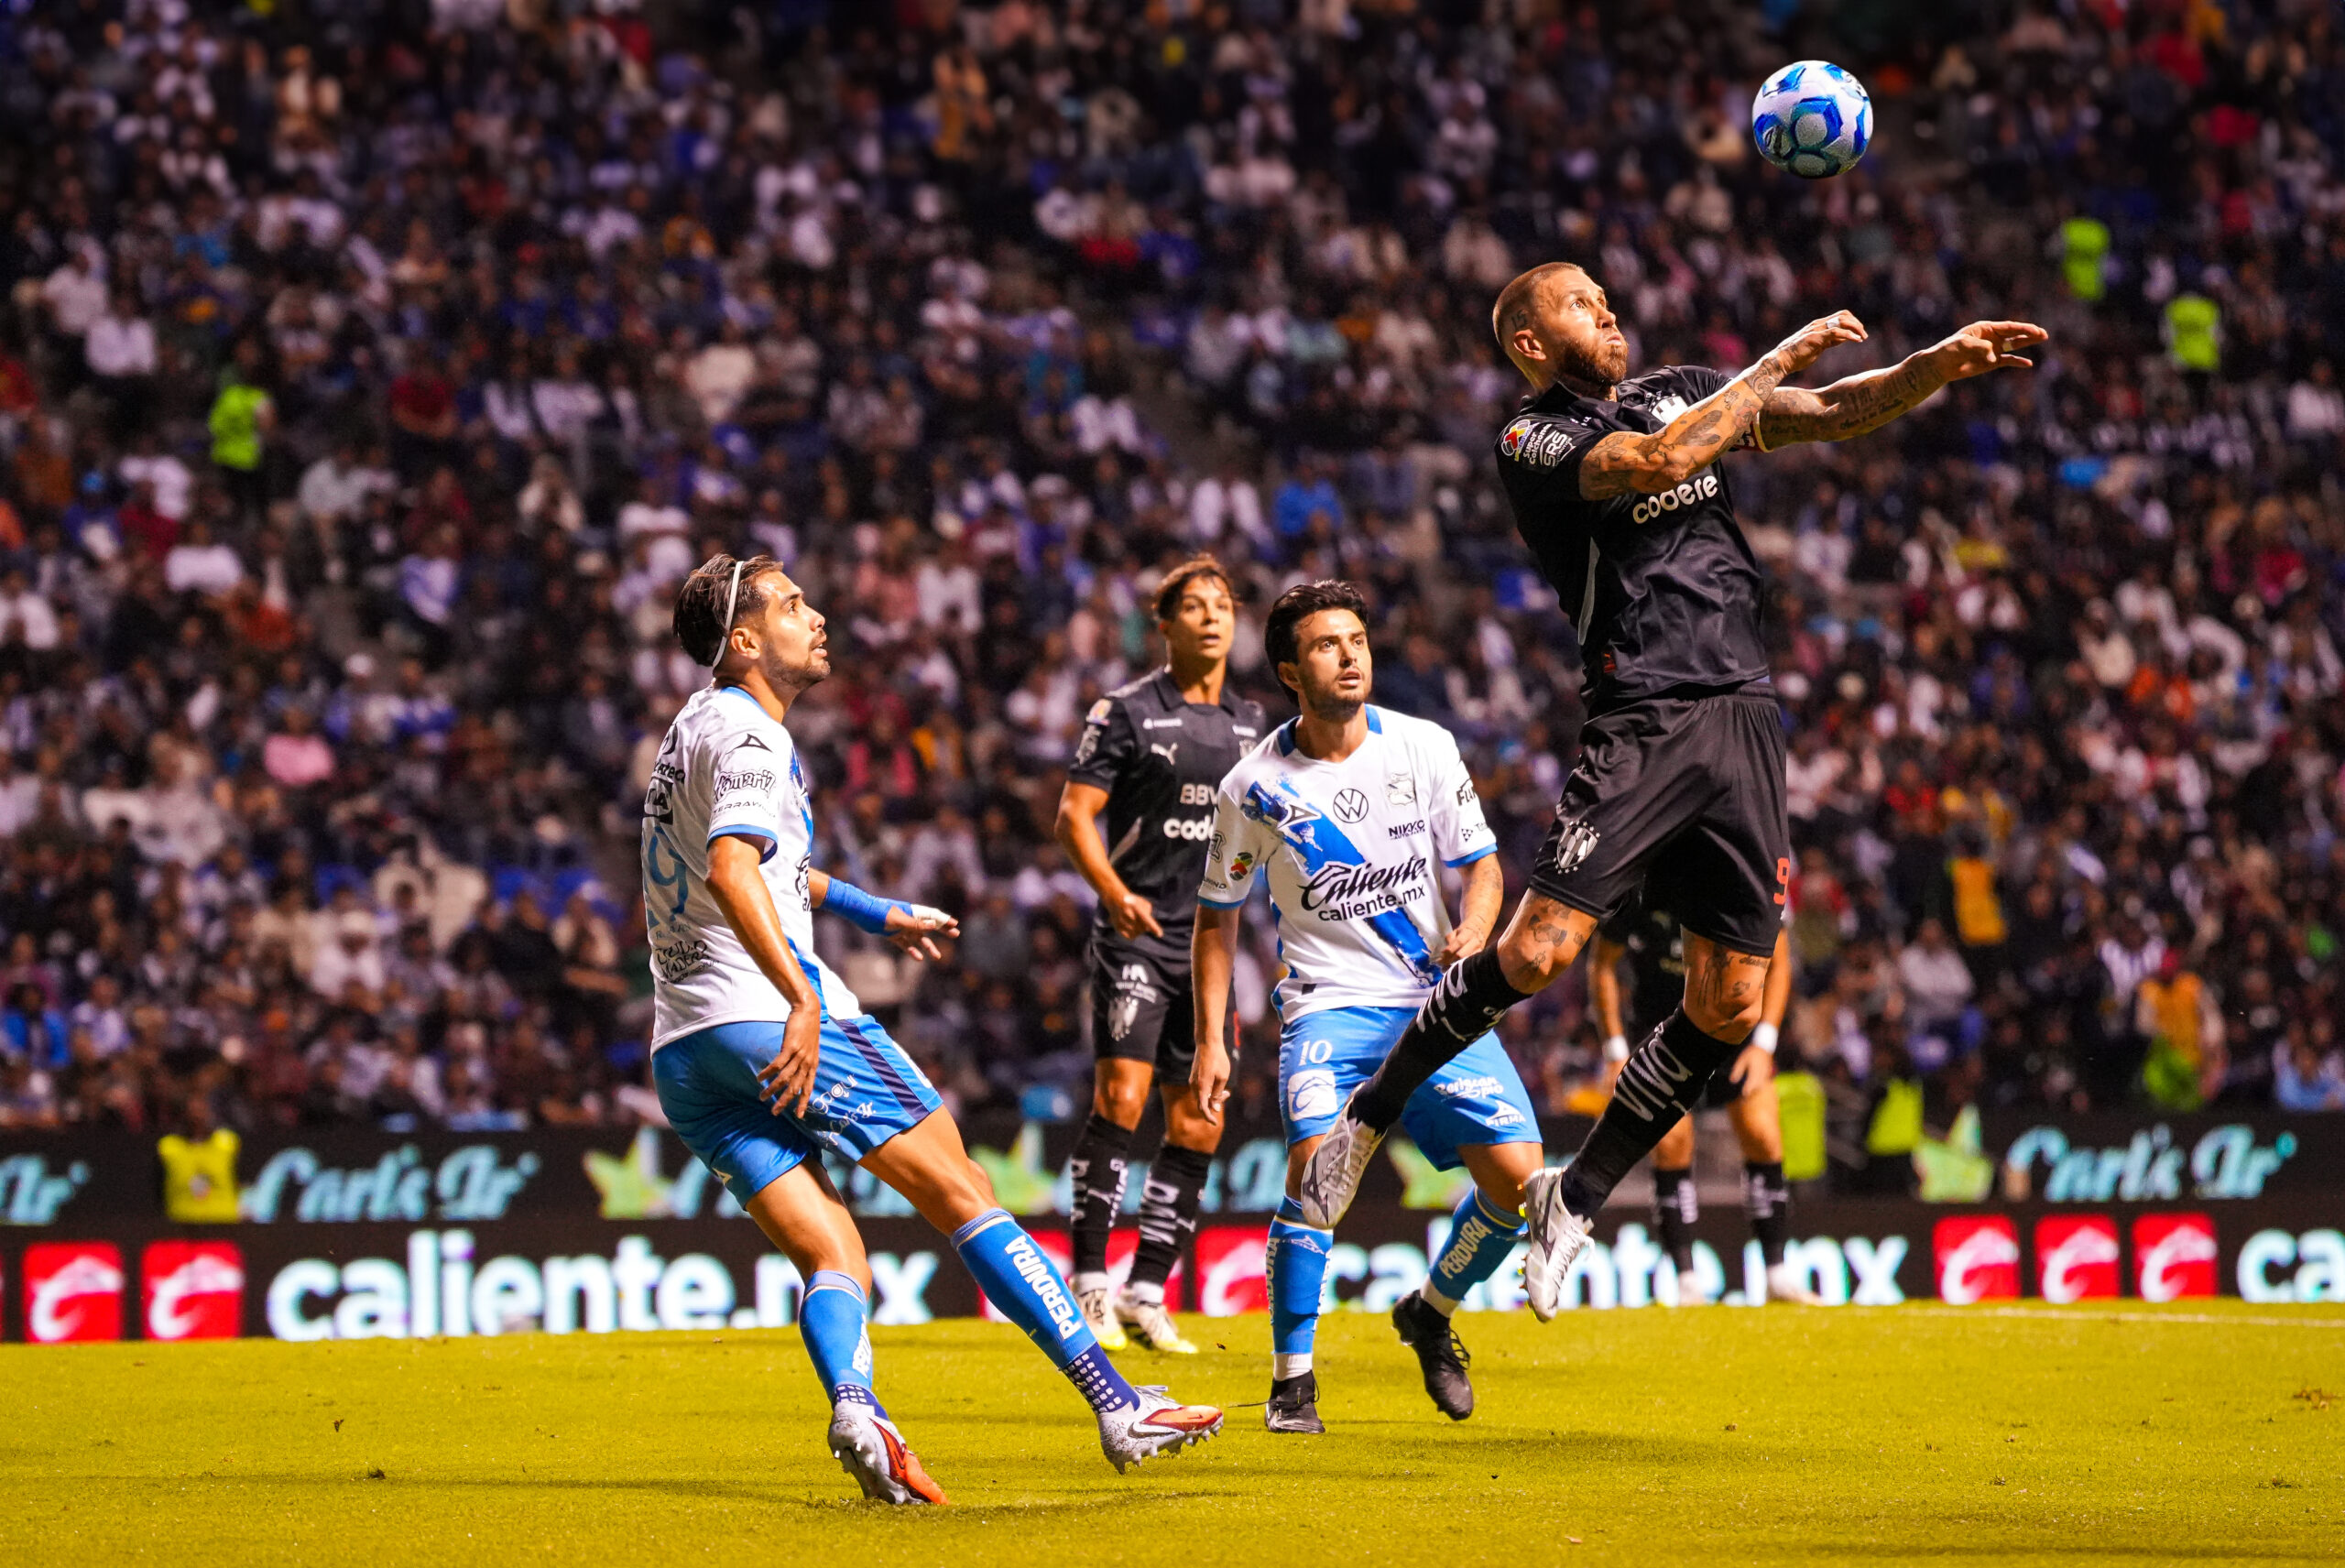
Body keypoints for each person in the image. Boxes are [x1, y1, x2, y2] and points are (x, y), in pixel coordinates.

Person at [1295, 260, 2045, 1320]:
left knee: (1729, 1001)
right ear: (1527, 340)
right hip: (1643, 711)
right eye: (1577, 303)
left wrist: (1931, 366)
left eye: (1605, 297)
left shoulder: (1684, 384)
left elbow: (1828, 409)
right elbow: (1653, 462)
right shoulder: (1533, 439)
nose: (1606, 310)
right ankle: (1362, 1125)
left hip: (1744, 714)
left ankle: (1576, 1196)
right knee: (1539, 949)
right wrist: (1771, 358)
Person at [643, 554, 1221, 1505]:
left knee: (833, 1252)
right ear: (743, 642)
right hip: (768, 1016)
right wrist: (797, 997)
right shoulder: (749, 736)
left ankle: (857, 1408)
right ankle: (1119, 1403)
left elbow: (774, 869)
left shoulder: (691, 730)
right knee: (965, 1187)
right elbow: (734, 871)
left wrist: (878, 912)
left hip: (686, 1050)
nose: (817, 614)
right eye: (793, 604)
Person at [1191, 580, 1540, 1433]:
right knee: (1316, 1178)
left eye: (1357, 640)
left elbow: (1484, 866)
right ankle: (1292, 1384)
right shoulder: (1253, 787)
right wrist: (1211, 1040)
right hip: (1328, 1008)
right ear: (1289, 669)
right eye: (1325, 645)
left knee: (1522, 1188)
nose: (1349, 656)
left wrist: (1477, 928)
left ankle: (1430, 1311)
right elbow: (1215, 919)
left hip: (1435, 1007)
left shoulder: (1424, 746)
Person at [1053, 556, 1264, 1354]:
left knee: (1201, 1120)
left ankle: (1147, 1291)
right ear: (1164, 624)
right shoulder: (1129, 711)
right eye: (1195, 606)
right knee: (1122, 1098)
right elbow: (1075, 816)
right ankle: (1089, 1284)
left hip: (1211, 950)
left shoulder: (1253, 727)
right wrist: (1112, 891)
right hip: (1137, 937)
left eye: (1224, 605)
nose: (1213, 617)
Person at [1591, 894, 1818, 1304]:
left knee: (1763, 1133)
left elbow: (1778, 963)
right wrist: (1614, 1051)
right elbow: (1601, 965)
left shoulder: (1736, 876)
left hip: (1733, 1031)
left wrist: (1764, 1044)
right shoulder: (1642, 886)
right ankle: (1686, 1279)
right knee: (1673, 1144)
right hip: (1662, 1035)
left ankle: (1777, 1273)